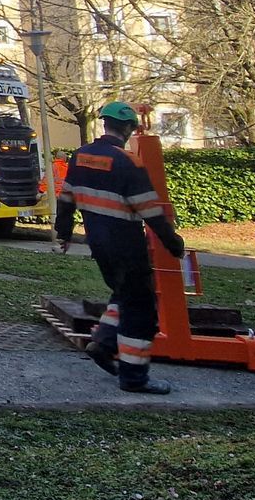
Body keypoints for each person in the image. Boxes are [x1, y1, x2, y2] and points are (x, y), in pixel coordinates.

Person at [54, 101, 186, 395]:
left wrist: (63, 233)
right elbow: (151, 211)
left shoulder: (81, 156)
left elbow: (66, 200)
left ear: (104, 124)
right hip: (126, 243)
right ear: (128, 128)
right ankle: (134, 377)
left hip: (98, 243)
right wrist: (173, 243)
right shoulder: (129, 162)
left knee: (123, 294)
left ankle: (103, 343)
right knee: (139, 311)